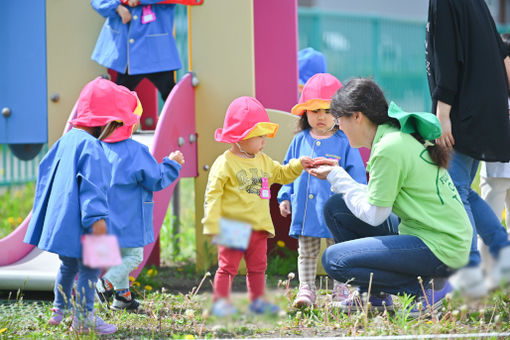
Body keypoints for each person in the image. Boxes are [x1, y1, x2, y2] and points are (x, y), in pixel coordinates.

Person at [310, 78, 472, 317]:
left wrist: (338, 177)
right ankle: (374, 296)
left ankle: (428, 289)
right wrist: (338, 176)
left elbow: (375, 215)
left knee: (335, 260)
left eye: (339, 119)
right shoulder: (392, 138)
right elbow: (377, 200)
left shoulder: (389, 148)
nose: (339, 127)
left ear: (357, 116)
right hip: (434, 232)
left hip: (441, 245)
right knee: (337, 208)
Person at [23, 77, 141, 335]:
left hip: (65, 224)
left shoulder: (66, 140)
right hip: (88, 224)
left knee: (67, 266)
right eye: (117, 124)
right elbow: (92, 188)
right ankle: (85, 319)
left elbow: (46, 172)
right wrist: (99, 224)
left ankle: (59, 310)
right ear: (108, 123)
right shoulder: (93, 147)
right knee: (90, 270)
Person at [426, 0, 510, 297]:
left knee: (453, 189)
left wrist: (442, 112)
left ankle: (471, 276)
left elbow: (446, 56)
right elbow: (503, 55)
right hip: (483, 109)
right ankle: (503, 253)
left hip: (463, 111)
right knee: (461, 188)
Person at [202, 96, 314, 316]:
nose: (264, 141)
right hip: (233, 226)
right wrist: (212, 221)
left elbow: (281, 174)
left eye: (264, 136)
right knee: (227, 268)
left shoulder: (263, 160)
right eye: (259, 136)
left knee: (257, 269)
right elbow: (213, 193)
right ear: (241, 136)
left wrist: (298, 164)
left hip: (259, 228)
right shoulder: (225, 163)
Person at [277, 73, 367, 307]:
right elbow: (287, 171)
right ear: (304, 113)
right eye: (314, 110)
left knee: (337, 250)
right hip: (306, 212)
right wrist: (285, 196)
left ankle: (341, 289)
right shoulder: (300, 140)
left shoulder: (344, 140)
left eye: (327, 111)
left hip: (335, 211)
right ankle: (306, 289)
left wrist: (358, 198)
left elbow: (357, 174)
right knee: (306, 252)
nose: (321, 116)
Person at [94, 95, 185, 311]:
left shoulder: (98, 148)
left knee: (121, 255)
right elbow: (156, 179)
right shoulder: (136, 151)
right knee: (134, 255)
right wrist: (171, 164)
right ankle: (104, 283)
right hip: (130, 216)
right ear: (131, 122)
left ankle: (122, 298)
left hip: (105, 218)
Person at [91, 0, 181, 102]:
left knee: (172, 96)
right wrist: (117, 7)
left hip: (158, 54)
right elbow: (97, 2)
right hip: (128, 58)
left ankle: (182, 118)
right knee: (119, 100)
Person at [478, 33, 510, 276]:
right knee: (488, 226)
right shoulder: (489, 92)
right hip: (494, 169)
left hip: (499, 168)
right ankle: (485, 275)